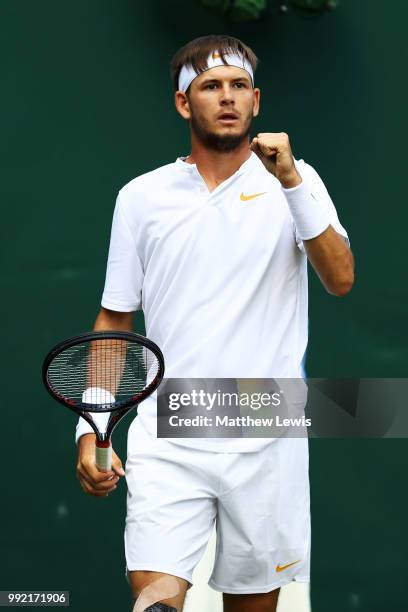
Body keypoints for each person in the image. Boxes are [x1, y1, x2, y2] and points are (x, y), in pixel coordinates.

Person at [75, 34, 354, 612]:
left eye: (238, 86)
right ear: (184, 104)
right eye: (209, 87)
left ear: (256, 100)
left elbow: (341, 278)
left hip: (267, 430)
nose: (226, 98)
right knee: (155, 602)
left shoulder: (299, 183)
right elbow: (115, 318)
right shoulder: (140, 198)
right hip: (167, 429)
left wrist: (293, 182)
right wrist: (90, 424)